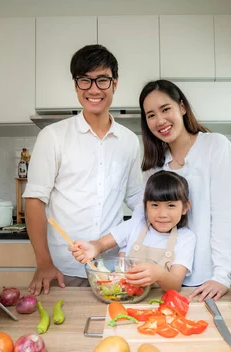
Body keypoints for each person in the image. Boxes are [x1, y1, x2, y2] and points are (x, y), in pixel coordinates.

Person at [23, 45, 142, 295]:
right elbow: (34, 201)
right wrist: (43, 263)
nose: (94, 89)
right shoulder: (53, 136)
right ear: (76, 86)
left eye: (102, 80)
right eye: (85, 81)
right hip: (62, 269)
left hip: (112, 267)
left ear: (115, 84)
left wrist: (168, 209)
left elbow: (135, 199)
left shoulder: (130, 141)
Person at [136, 79, 231, 301]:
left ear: (182, 107)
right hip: (166, 282)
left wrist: (222, 276)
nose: (160, 120)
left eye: (165, 109)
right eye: (151, 115)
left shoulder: (215, 146)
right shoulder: (154, 166)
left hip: (206, 281)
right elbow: (140, 221)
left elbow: (223, 215)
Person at [70, 170, 196, 292]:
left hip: (158, 303)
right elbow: (101, 244)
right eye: (155, 205)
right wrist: (93, 248)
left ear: (185, 208)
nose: (162, 214)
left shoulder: (186, 238)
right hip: (124, 296)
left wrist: (160, 274)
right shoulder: (135, 225)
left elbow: (175, 285)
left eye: (171, 205)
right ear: (145, 206)